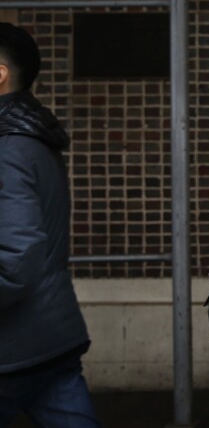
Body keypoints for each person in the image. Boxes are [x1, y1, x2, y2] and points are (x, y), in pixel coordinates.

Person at [0, 23, 100, 427]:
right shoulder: (31, 138)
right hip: (51, 335)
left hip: (12, 348)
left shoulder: (7, 148)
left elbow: (16, 258)